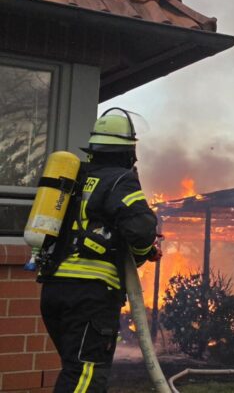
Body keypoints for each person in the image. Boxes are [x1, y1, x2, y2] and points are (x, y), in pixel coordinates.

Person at [38, 108, 160, 393]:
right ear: (127, 151)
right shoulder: (119, 180)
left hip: (54, 290)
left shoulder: (75, 178)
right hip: (90, 294)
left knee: (75, 371)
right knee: (86, 374)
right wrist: (144, 252)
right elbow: (142, 230)